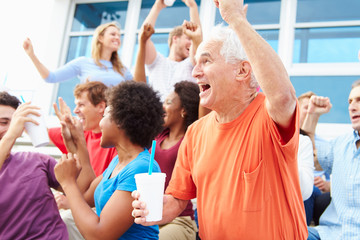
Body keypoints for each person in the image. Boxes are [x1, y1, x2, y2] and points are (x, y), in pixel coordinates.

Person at [132, 0, 308, 239]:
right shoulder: (195, 133)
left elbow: (284, 96)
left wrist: (235, 18)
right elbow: (177, 199)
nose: (195, 72)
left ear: (243, 71)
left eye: (206, 61)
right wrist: (160, 208)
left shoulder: (269, 116)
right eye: (196, 63)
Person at [55, 81, 164, 239]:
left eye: (105, 115)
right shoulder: (119, 163)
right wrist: (77, 143)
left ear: (120, 120)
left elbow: (99, 235)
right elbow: (85, 195)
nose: (101, 122)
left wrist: (67, 183)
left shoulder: (141, 167)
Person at [0, 91, 93, 239]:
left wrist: (77, 143)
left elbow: (83, 189)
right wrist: (10, 134)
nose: (11, 128)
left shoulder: (37, 160)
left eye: (15, 122)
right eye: (3, 123)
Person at [303, 81, 360, 239]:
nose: (352, 107)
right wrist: (313, 115)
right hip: (329, 234)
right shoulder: (341, 144)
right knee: (284, 232)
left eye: (359, 100)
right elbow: (308, 155)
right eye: (350, 101)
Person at [153, 80, 200, 240]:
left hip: (179, 220)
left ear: (184, 110)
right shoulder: (158, 135)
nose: (162, 107)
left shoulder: (191, 138)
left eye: (168, 102)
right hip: (151, 216)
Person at [23, 22, 132, 86]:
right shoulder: (83, 63)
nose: (117, 38)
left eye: (119, 35)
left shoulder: (123, 70)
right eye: (113, 34)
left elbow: (138, 92)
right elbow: (51, 77)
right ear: (100, 38)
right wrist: (32, 55)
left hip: (114, 121)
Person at [49, 81, 117, 177]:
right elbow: (43, 134)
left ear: (101, 107)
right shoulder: (78, 133)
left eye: (81, 105)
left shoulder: (116, 141)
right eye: (76, 105)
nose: (75, 110)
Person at [140, 0, 202, 101]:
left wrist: (193, 6)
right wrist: (157, 6)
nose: (191, 42)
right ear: (175, 39)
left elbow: (197, 37)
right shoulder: (157, 62)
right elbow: (144, 38)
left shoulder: (191, 64)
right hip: (155, 114)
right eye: (188, 38)